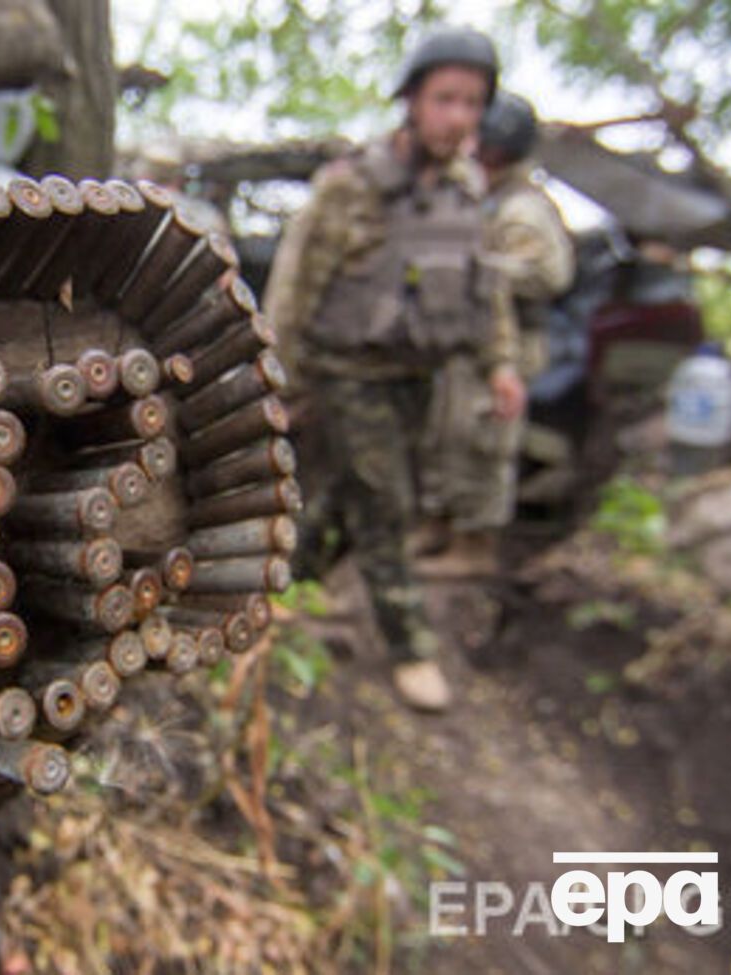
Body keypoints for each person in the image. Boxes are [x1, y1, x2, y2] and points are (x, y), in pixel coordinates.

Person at [263, 26, 524, 712]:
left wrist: (499, 365)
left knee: (356, 497)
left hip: (419, 378)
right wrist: (279, 383)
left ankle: (282, 584)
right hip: (347, 374)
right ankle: (410, 647)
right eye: (446, 99)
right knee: (388, 504)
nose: (460, 116)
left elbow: (485, 289)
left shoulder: (467, 192)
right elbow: (294, 288)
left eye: (473, 103)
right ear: (412, 99)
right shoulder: (353, 187)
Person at [417, 92, 575, 575]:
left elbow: (551, 275)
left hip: (510, 346)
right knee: (449, 433)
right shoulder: (481, 196)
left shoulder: (521, 207)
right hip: (469, 343)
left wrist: (479, 272)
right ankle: (442, 525)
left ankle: (476, 545)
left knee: (486, 439)